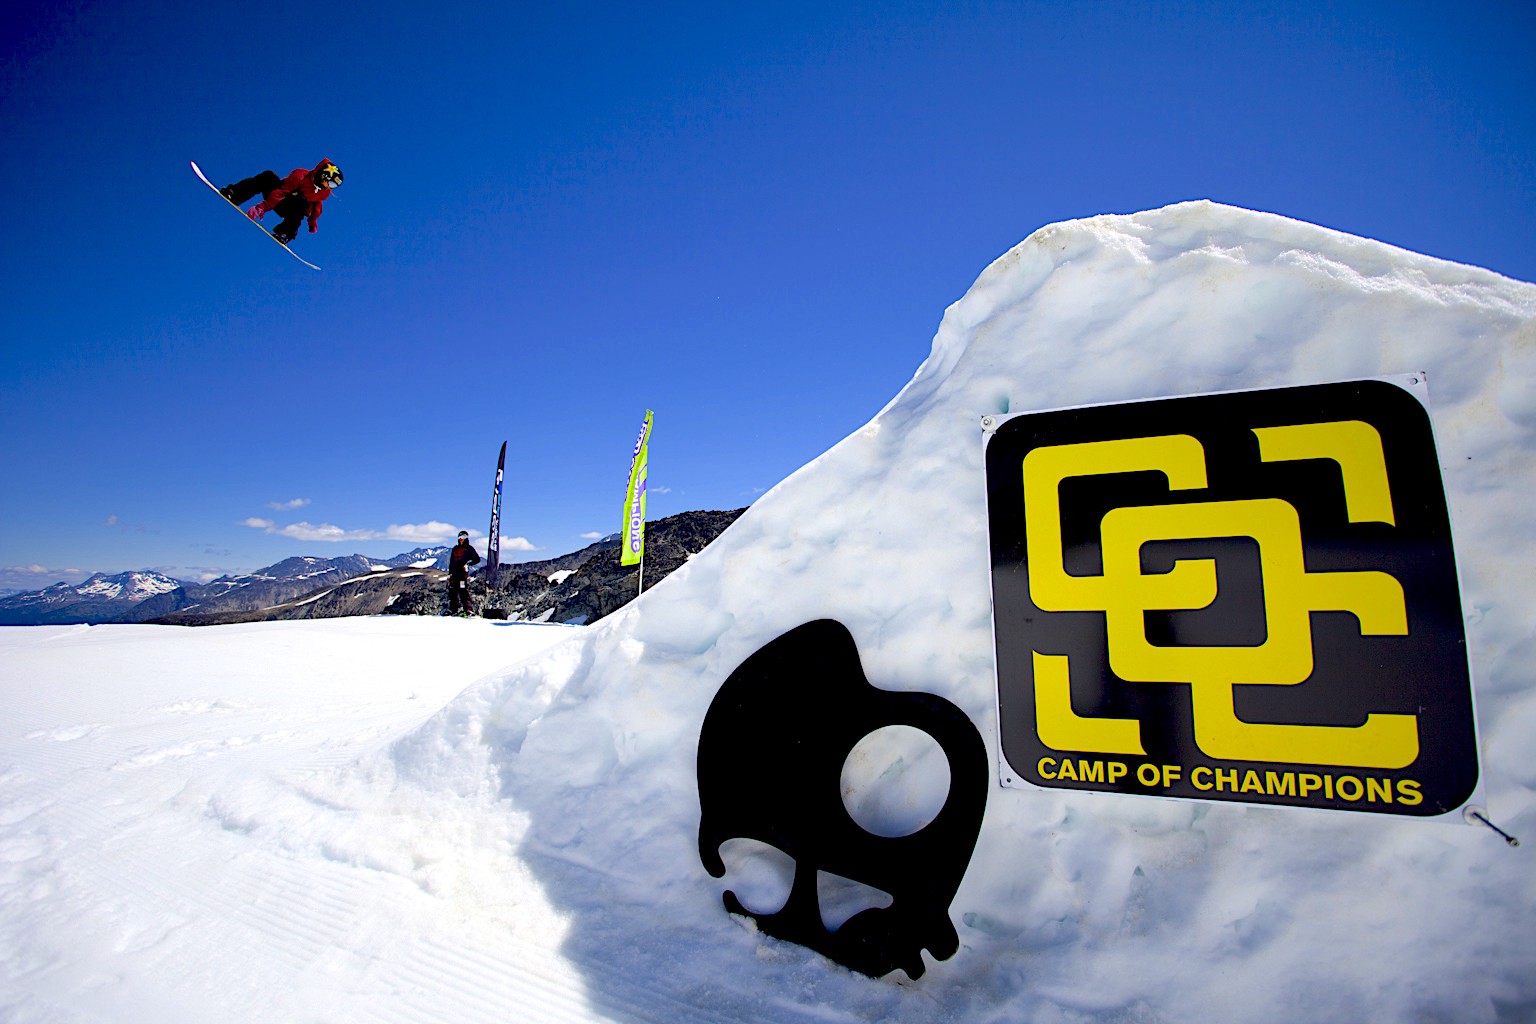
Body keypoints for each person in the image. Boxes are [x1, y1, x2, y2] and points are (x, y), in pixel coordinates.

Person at [219, 160, 343, 245]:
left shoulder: (324, 192)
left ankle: (286, 233)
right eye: (331, 183)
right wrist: (262, 207)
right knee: (268, 176)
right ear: (323, 176)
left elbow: (317, 205)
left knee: (302, 201)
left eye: (334, 185)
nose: (330, 187)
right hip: (279, 197)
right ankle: (234, 194)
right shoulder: (300, 175)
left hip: (291, 209)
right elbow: (281, 192)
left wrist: (312, 222)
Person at [447, 530, 481, 616]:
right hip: (454, 575)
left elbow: (477, 559)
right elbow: (451, 562)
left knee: (463, 592)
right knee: (452, 593)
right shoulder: (455, 549)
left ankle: (468, 610)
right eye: (459, 538)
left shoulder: (469, 549)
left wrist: (468, 564)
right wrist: (449, 574)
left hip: (462, 575)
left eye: (463, 538)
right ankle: (453, 610)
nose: (461, 540)